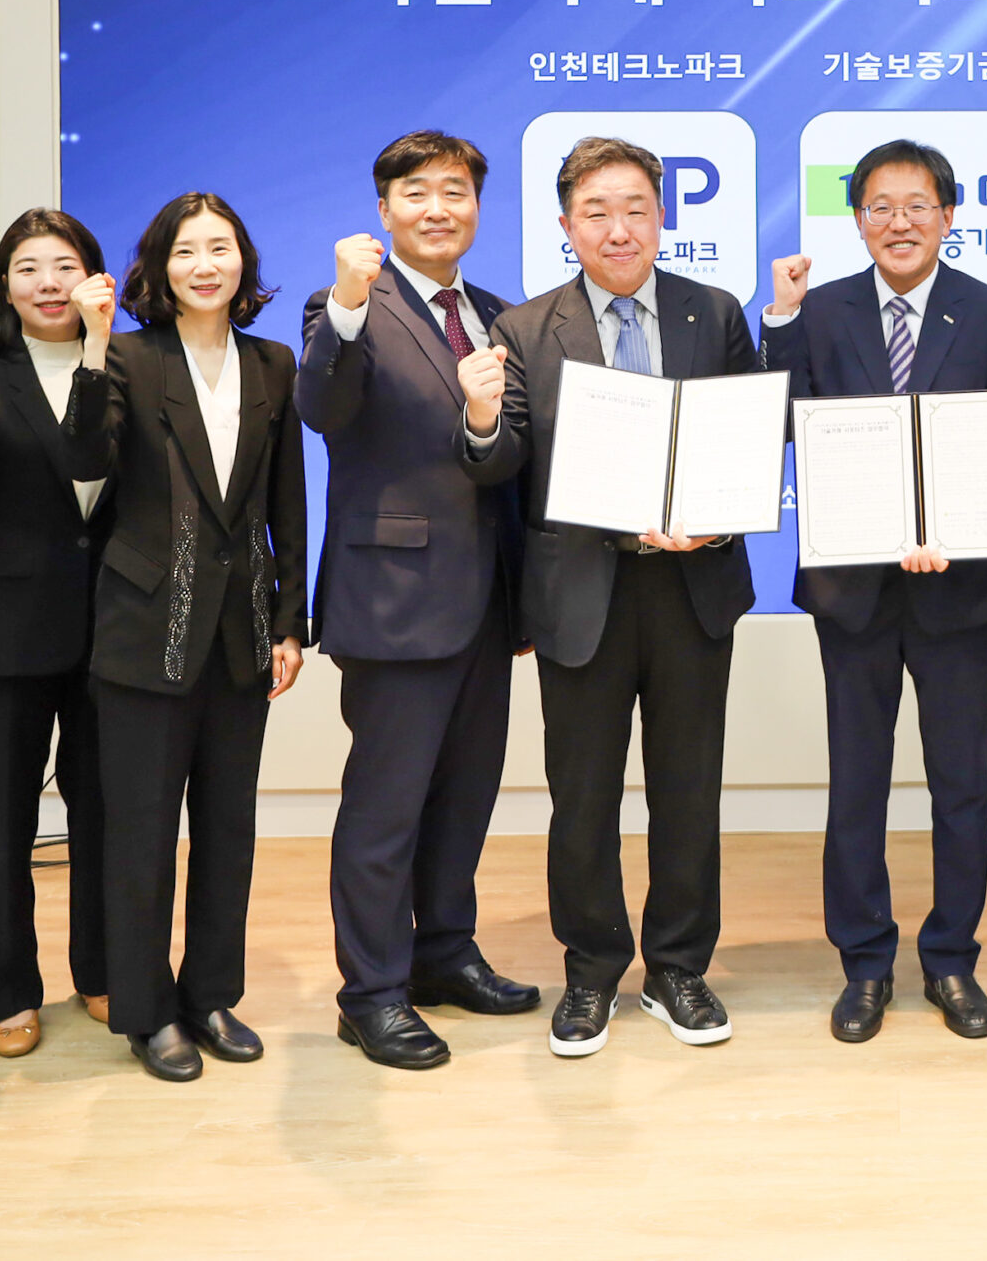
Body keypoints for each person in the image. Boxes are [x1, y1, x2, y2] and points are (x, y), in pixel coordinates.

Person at [457, 136, 758, 1059]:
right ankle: (591, 968)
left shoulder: (714, 311)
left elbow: (748, 439)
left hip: (692, 585)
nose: (618, 228)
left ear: (662, 216)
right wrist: (478, 416)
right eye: (597, 211)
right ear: (566, 225)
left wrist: (714, 521)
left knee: (687, 790)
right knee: (581, 797)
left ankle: (678, 966)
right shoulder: (523, 328)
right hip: (580, 591)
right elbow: (502, 461)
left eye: (635, 208)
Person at [761, 139, 987, 1044]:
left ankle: (951, 957)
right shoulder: (819, 311)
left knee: (962, 785)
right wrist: (781, 318)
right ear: (858, 220)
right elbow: (782, 425)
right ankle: (865, 962)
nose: (900, 222)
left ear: (948, 216)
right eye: (880, 206)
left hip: (960, 586)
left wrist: (955, 528)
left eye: (918, 205)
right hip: (854, 591)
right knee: (857, 784)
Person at [299, 130, 536, 1072]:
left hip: (488, 600)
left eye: (455, 191)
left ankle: (443, 952)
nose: (438, 208)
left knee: (465, 795)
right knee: (385, 808)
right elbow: (323, 408)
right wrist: (349, 302)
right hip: (393, 598)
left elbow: (506, 456)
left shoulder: (499, 314)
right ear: (384, 208)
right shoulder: (348, 305)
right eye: (416, 192)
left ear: (477, 205)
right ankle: (371, 992)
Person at [79, 192, 308, 1082]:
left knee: (226, 828)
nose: (205, 265)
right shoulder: (128, 357)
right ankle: (146, 1011)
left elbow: (287, 498)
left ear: (243, 260)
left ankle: (211, 993)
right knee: (140, 832)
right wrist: (92, 344)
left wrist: (290, 620)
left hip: (243, 630)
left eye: (220, 248)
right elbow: (83, 461)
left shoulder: (273, 362)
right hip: (145, 627)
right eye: (186, 251)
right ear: (159, 266)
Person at [0, 210, 120, 1057]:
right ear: (4, 283)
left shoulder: (127, 364)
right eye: (28, 266)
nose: (47, 282)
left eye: (64, 264)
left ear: (95, 276)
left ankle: (105, 969)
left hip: (113, 623)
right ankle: (5, 991)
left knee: (109, 809)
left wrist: (100, 349)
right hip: (0, 628)